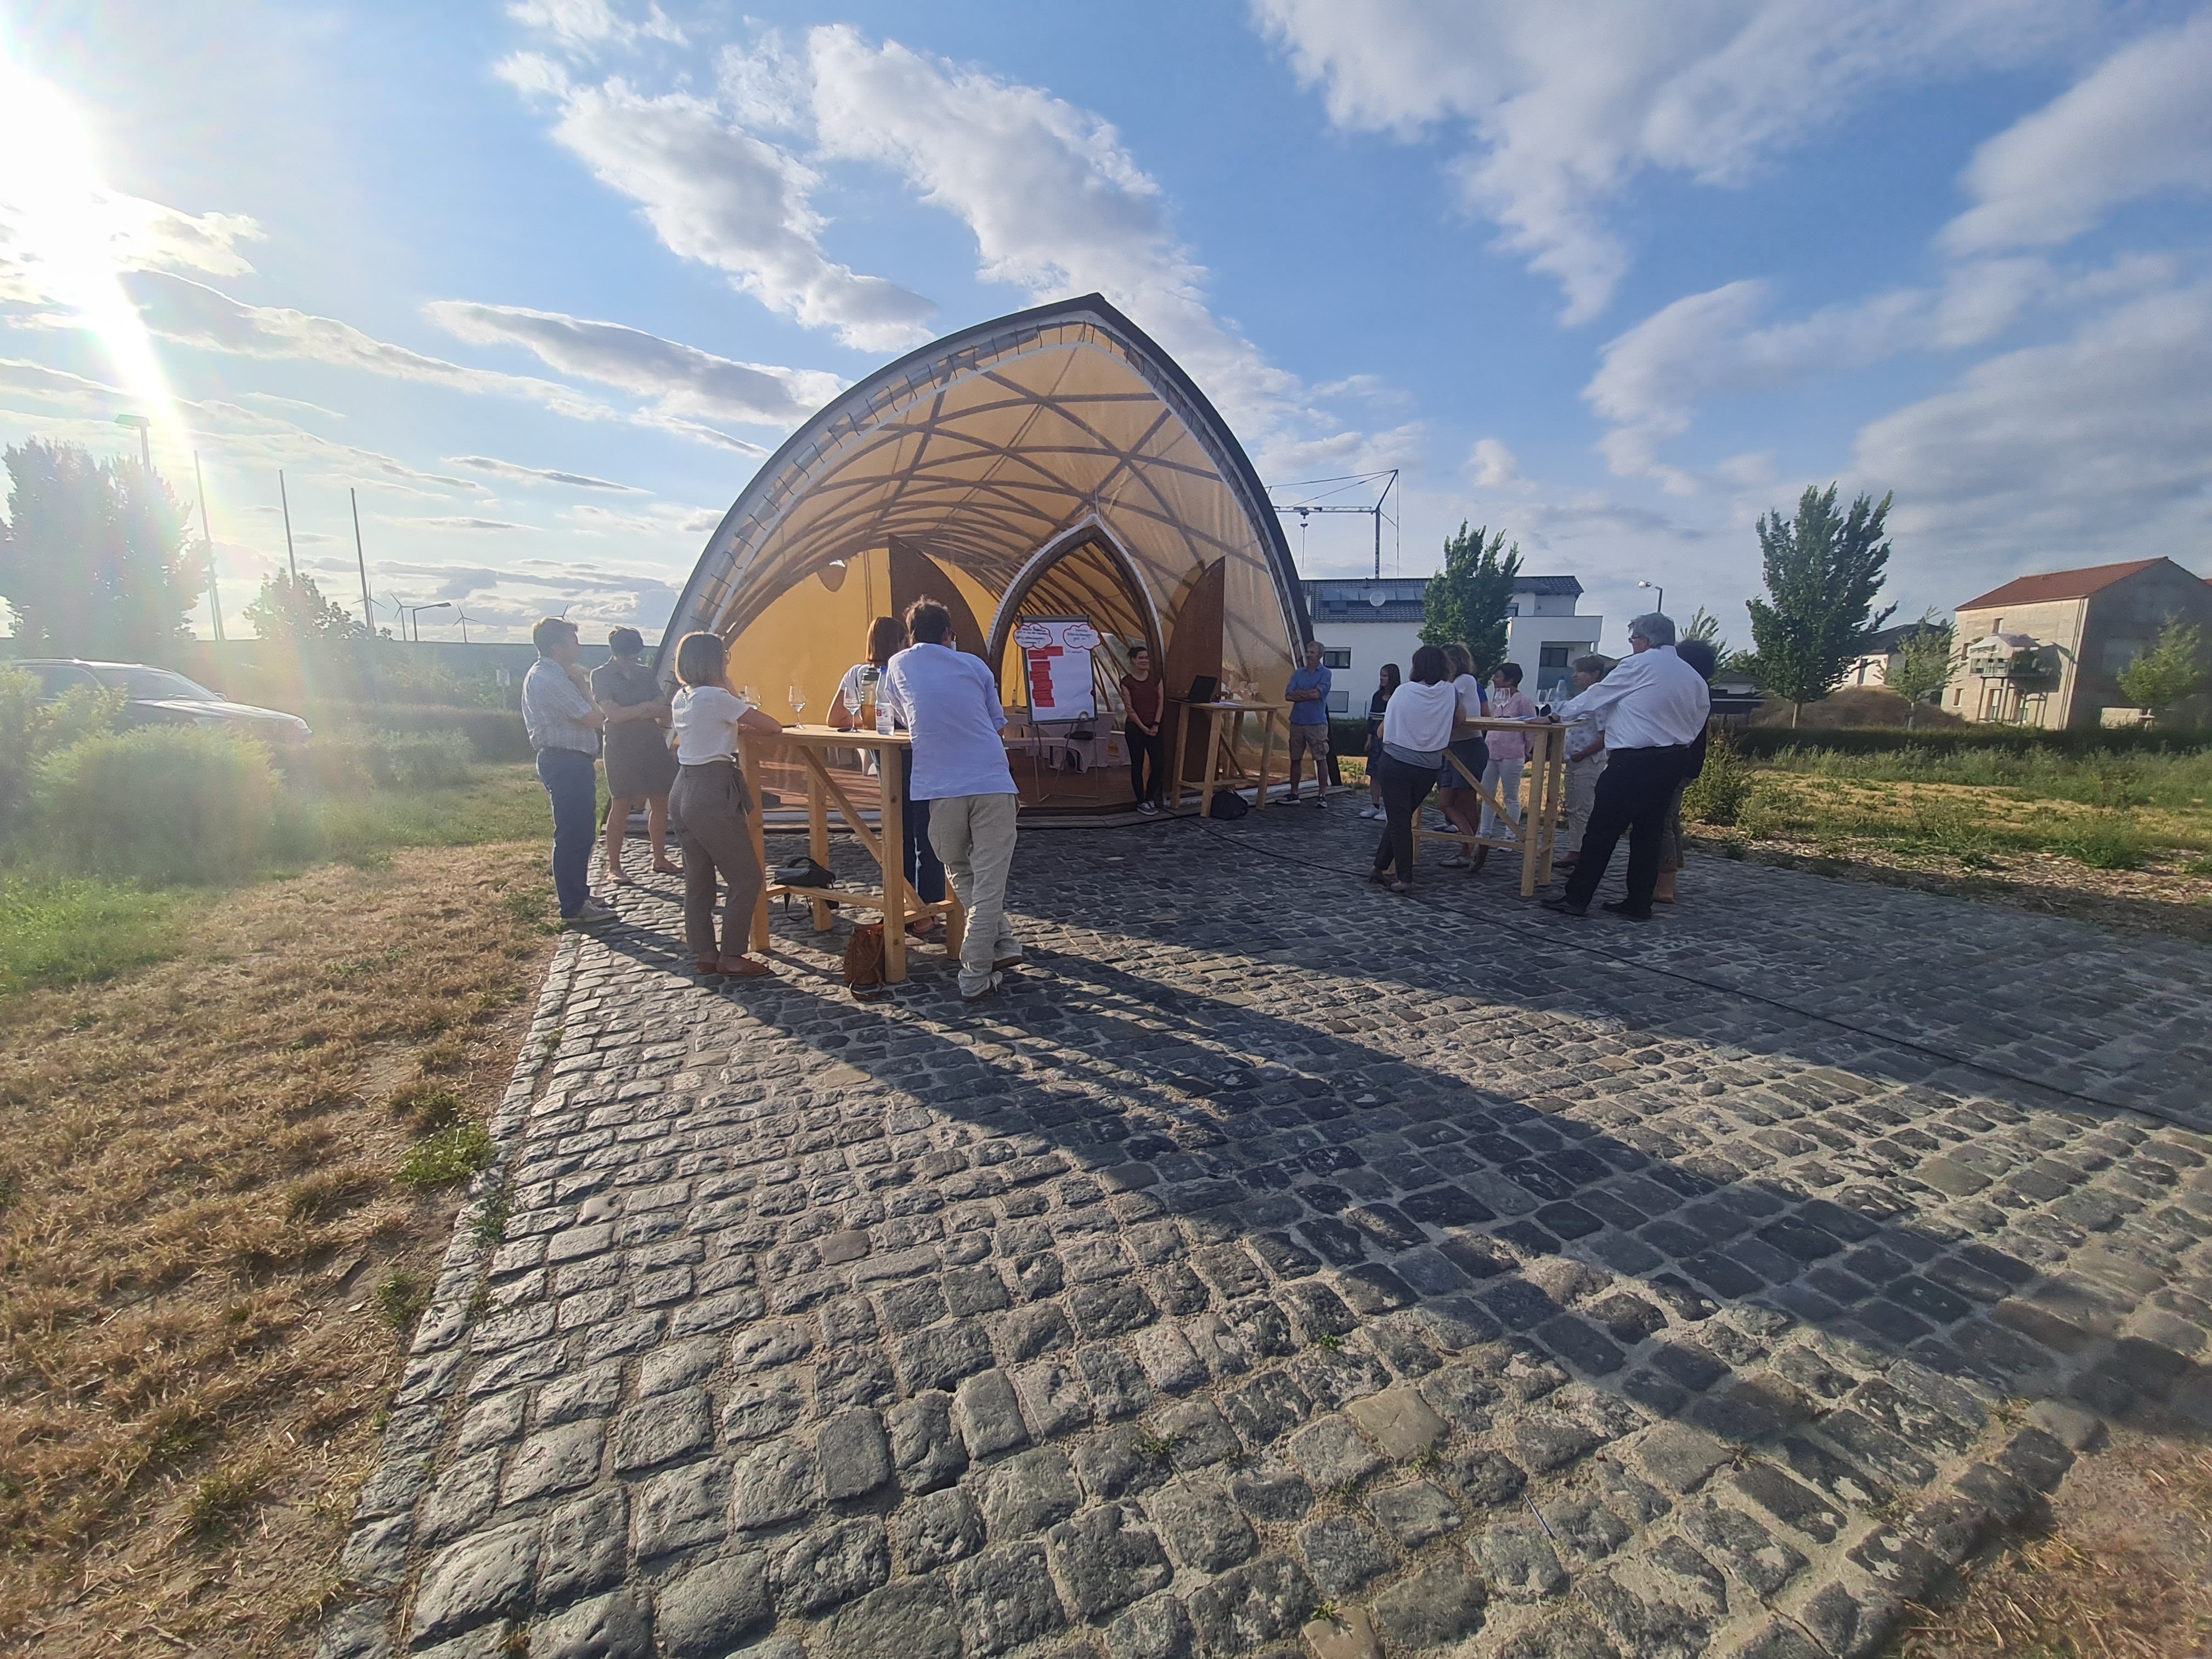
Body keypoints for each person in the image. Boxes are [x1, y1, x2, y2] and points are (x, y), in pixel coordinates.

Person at [884, 599, 1023, 1003]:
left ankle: (998, 950)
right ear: (949, 634)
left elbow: (903, 716)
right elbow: (996, 723)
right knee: (989, 883)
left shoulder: (898, 665)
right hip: (991, 780)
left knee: (959, 868)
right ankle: (980, 970)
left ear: (911, 635)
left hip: (939, 786)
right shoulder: (975, 666)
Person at [1542, 612, 1711, 921]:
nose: (1632, 645)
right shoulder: (1692, 676)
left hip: (1634, 760)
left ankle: (1577, 897)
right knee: (1649, 832)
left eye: (1633, 639)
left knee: (1602, 830)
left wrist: (1556, 716)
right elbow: (1699, 717)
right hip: (1674, 759)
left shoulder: (1639, 665)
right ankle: (1639, 901)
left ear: (1644, 640)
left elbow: (1596, 695)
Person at [667, 630, 784, 978]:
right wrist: (730, 688)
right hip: (712, 790)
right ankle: (732, 955)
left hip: (683, 786)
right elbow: (772, 726)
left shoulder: (682, 697)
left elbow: (712, 729)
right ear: (715, 662)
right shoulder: (717, 697)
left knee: (698, 878)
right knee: (747, 877)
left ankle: (705, 952)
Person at [833, 616, 946, 935]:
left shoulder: (858, 674)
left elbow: (835, 718)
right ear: (900, 642)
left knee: (898, 834)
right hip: (915, 756)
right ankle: (925, 909)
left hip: (883, 760)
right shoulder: (902, 671)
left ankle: (903, 904)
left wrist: (865, 722)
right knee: (925, 833)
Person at [520, 617, 613, 927]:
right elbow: (594, 718)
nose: (579, 647)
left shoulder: (556, 675)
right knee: (573, 833)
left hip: (573, 761)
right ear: (556, 646)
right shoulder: (549, 679)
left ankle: (580, 894)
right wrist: (584, 686)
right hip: (565, 762)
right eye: (574, 641)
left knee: (582, 832)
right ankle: (573, 906)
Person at [592, 627, 680, 885]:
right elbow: (614, 715)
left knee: (661, 800)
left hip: (651, 742)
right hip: (620, 747)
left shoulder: (645, 673)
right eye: (627, 657)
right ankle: (615, 866)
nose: (632, 662)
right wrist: (644, 708)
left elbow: (663, 708)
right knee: (621, 803)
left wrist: (632, 710)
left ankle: (660, 858)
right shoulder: (601, 675)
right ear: (615, 653)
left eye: (635, 657)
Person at [1369, 644, 1457, 895]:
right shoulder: (1450, 692)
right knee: (1401, 817)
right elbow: (1460, 719)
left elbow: (1382, 732)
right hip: (1429, 766)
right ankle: (1378, 867)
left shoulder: (1403, 692)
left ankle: (1405, 878)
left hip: (1396, 762)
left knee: (1399, 821)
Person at [1654, 637, 1720, 904]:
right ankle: (1672, 869)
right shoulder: (1698, 686)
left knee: (1661, 820)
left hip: (1678, 762)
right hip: (1687, 763)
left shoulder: (1690, 688)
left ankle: (1665, 884)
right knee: (1670, 818)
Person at [1472, 662, 1540, 870]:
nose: (1494, 680)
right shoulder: (1497, 700)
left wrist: (1527, 750)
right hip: (1491, 751)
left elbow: (1531, 729)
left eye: (1499, 676)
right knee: (1487, 795)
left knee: (1511, 795)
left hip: (1512, 754)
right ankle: (1484, 833)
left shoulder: (1523, 701)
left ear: (1510, 680)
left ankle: (1510, 835)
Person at [1554, 654, 1616, 870]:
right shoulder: (1584, 698)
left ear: (1595, 674)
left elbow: (1605, 735)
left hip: (1588, 761)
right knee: (1573, 807)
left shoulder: (1600, 701)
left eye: (1580, 671)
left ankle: (1586, 855)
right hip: (1574, 761)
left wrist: (1583, 754)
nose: (1575, 676)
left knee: (1584, 808)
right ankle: (1575, 850)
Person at [1431, 643, 1487, 866]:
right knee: (1445, 802)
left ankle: (1467, 849)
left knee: (1466, 800)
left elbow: (1445, 700)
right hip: (1452, 747)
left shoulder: (1465, 681)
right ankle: (1474, 842)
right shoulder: (1453, 684)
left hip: (1469, 746)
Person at [1284, 640, 1333, 806]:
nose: (1308, 655)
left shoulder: (1325, 673)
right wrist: (1309, 693)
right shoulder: (1298, 673)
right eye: (1307, 652)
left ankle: (1322, 794)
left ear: (1320, 655)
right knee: (1295, 758)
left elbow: (1318, 695)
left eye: (1312, 652)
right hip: (1297, 721)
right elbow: (1288, 695)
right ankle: (1294, 793)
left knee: (1320, 757)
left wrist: (1300, 694)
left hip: (1316, 723)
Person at [1120, 642, 1165, 815]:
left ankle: (1149, 797)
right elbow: (1129, 708)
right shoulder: (1127, 682)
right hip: (1135, 728)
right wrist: (1143, 727)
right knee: (1137, 765)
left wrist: (1156, 724)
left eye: (1147, 658)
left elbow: (1161, 702)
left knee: (1159, 764)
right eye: (1141, 658)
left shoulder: (1156, 679)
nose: (1145, 661)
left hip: (1154, 727)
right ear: (1133, 660)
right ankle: (1141, 801)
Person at [1359, 663, 1400, 820]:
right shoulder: (1377, 696)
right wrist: (1369, 739)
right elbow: (1371, 719)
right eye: (1381, 675)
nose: (1382, 679)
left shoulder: (1398, 696)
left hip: (1391, 740)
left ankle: (1388, 807)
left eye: (1385, 676)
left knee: (1389, 775)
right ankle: (1375, 805)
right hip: (1377, 740)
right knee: (1374, 773)